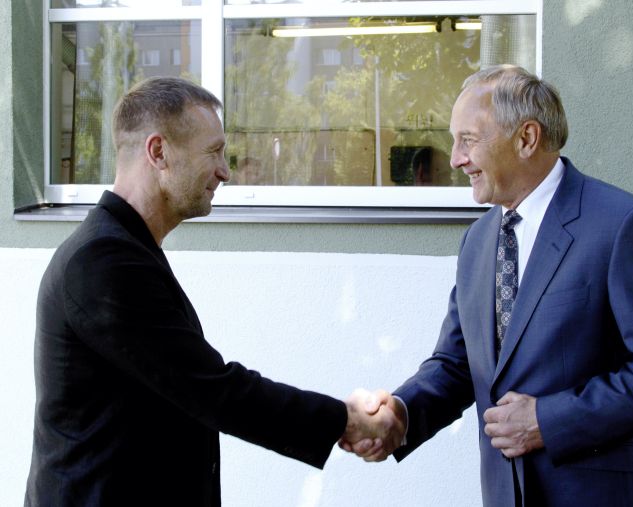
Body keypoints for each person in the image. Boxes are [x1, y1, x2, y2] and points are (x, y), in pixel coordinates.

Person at [341, 65, 633, 506]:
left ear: (527, 138)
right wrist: (400, 413)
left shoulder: (624, 225)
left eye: (468, 140)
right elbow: (458, 364)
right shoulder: (478, 240)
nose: (456, 158)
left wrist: (549, 420)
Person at [25, 77, 403, 506]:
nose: (225, 171)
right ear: (158, 152)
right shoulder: (102, 260)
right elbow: (210, 388)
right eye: (214, 152)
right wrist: (344, 420)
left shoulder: (123, 249)